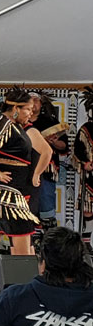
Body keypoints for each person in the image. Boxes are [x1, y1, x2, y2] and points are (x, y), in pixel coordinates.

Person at [0, 87, 48, 282]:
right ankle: (27, 277)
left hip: (6, 186)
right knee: (21, 226)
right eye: (28, 109)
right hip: (1, 187)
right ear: (15, 108)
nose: (31, 113)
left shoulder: (13, 125)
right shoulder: (4, 122)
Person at [28, 92, 69, 230]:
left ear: (41, 104)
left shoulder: (50, 121)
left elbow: (64, 147)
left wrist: (54, 142)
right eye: (30, 100)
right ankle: (31, 243)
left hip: (46, 170)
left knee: (46, 204)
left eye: (36, 100)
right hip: (25, 171)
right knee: (27, 206)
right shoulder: (20, 122)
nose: (33, 103)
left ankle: (49, 241)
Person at [73, 86, 93, 236]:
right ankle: (86, 241)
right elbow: (77, 152)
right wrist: (84, 163)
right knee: (88, 207)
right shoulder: (85, 129)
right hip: (89, 174)